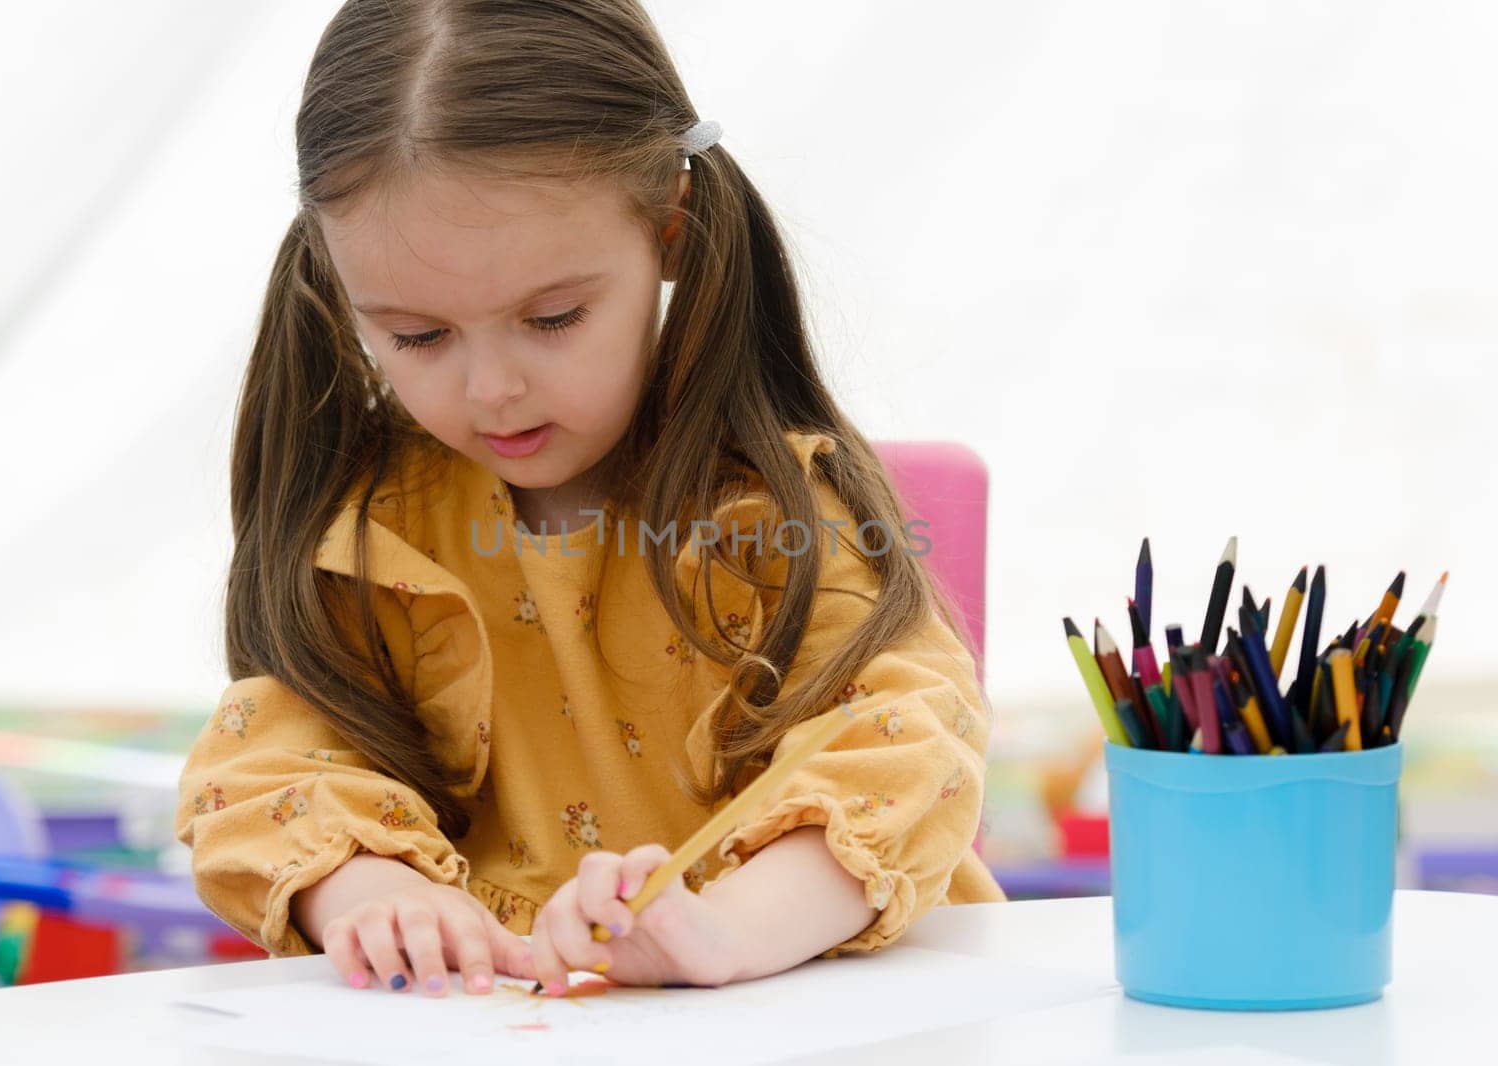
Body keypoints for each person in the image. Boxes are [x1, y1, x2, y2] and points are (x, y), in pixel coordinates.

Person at [174, 0, 1004, 1002]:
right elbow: (263, 767)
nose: (490, 390)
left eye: (553, 317)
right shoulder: (371, 529)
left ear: (670, 231)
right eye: (416, 336)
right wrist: (370, 892)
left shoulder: (772, 508)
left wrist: (724, 930)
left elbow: (911, 746)